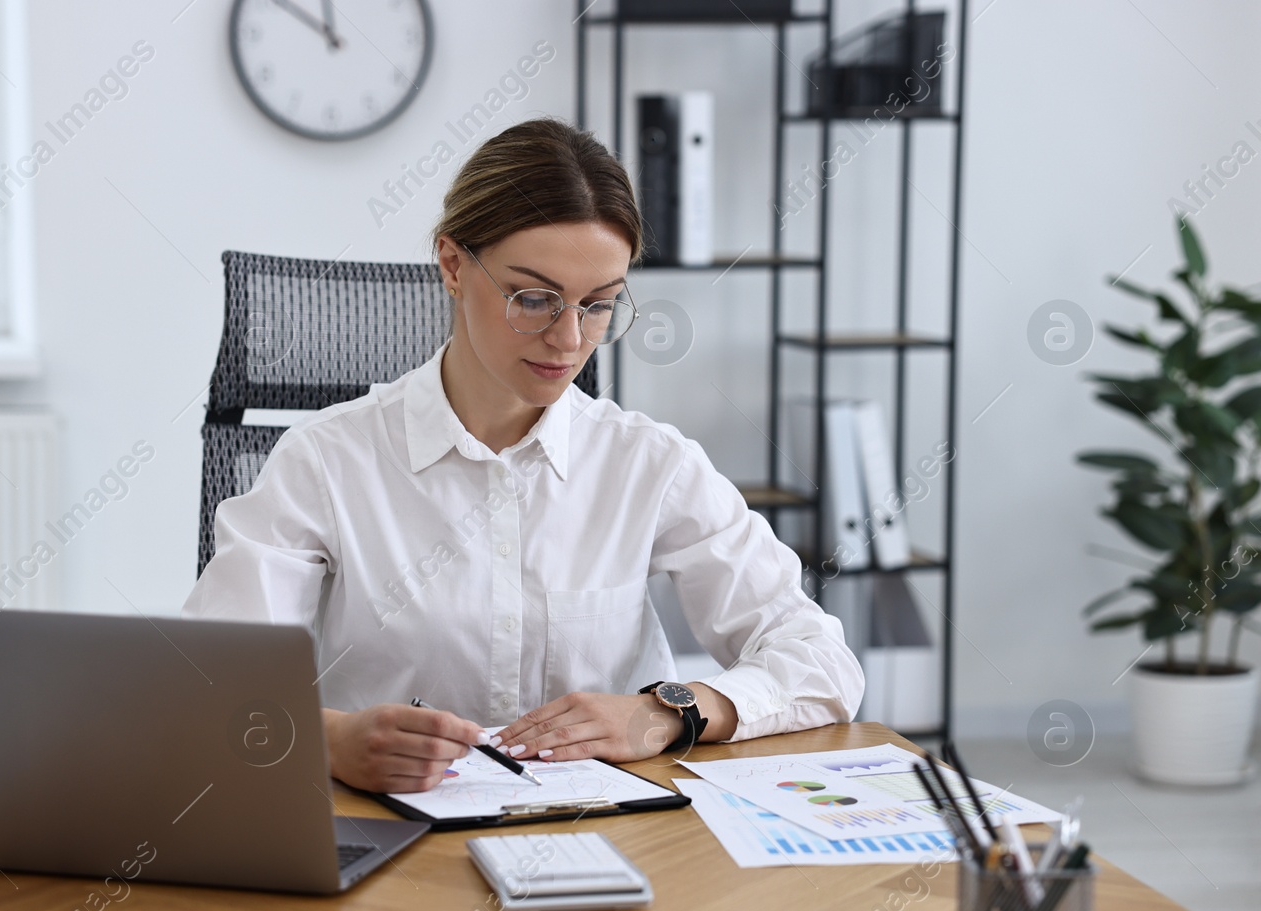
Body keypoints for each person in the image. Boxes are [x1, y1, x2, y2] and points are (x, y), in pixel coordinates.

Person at [184, 117, 863, 793]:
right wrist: (330, 740)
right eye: (533, 298)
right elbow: (204, 683)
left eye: (598, 305)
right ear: (452, 265)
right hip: (386, 836)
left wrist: (667, 712)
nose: (568, 339)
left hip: (610, 836)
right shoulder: (326, 460)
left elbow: (821, 661)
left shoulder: (648, 463)